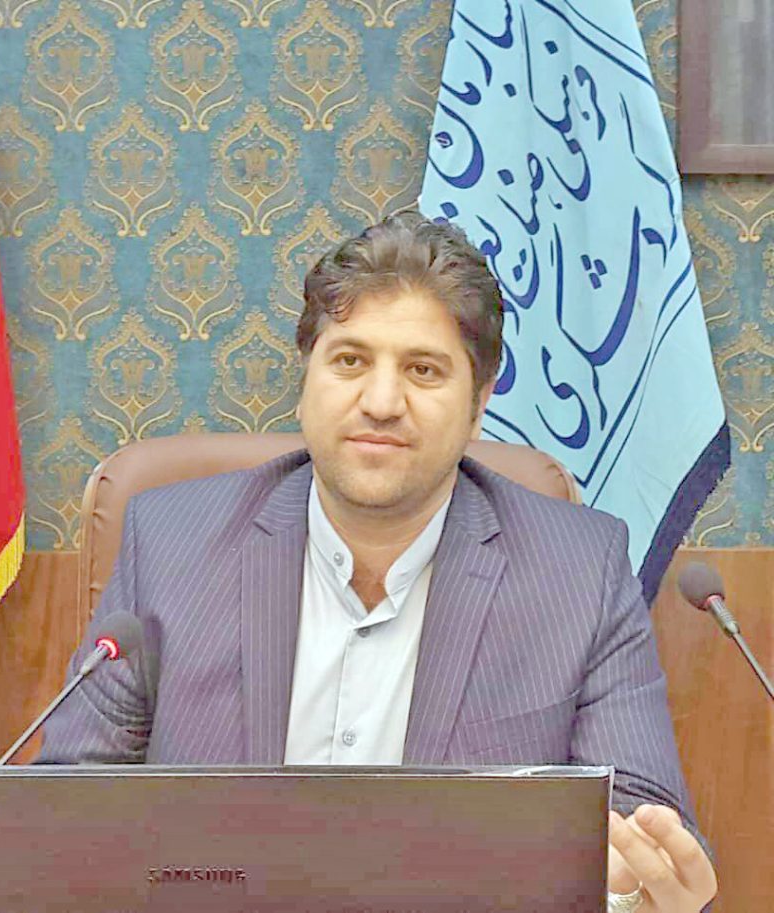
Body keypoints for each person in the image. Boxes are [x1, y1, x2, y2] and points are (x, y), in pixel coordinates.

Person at [39, 213, 717, 913]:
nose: (382, 403)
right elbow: (67, 810)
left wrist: (637, 890)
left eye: (423, 370)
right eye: (350, 362)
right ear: (306, 380)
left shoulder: (578, 572)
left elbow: (639, 831)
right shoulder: (172, 544)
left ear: (479, 402)